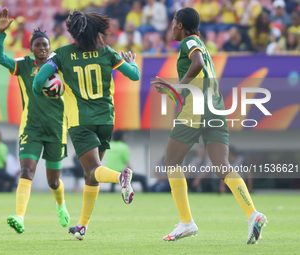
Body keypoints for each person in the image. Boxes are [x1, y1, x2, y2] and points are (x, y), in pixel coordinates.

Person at [152, 7, 267, 244]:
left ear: (181, 25)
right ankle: (253, 214)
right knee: (222, 166)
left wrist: (176, 88)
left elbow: (197, 62)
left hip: (197, 109)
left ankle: (186, 223)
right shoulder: (202, 42)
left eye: (173, 22)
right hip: (216, 109)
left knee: (171, 162)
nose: (171, 27)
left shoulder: (189, 43)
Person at [33, 10, 140, 240]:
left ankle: (121, 178)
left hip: (81, 122)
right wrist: (134, 64)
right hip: (105, 120)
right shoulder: (107, 52)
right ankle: (82, 226)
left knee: (93, 170)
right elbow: (133, 76)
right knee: (92, 174)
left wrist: (49, 91)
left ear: (72, 32)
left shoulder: (61, 54)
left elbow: (38, 82)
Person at [0, 8, 70, 234]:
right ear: (31, 48)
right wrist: (1, 33)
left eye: (45, 45)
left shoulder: (60, 67)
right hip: (31, 128)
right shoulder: (24, 65)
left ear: (50, 48)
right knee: (26, 171)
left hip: (56, 129)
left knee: (53, 182)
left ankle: (61, 204)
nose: (42, 48)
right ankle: (19, 217)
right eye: (38, 45)